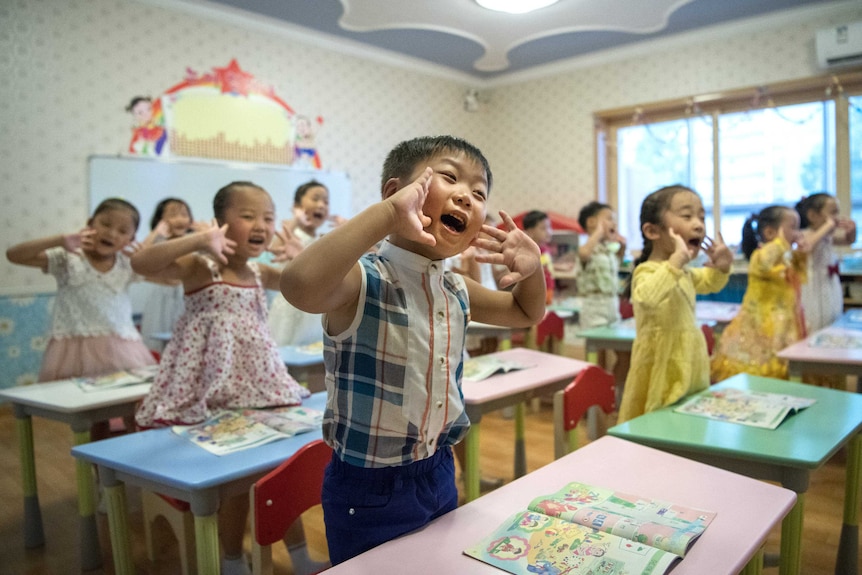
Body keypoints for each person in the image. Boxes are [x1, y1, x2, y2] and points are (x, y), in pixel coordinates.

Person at [279, 135, 546, 564]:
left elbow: (524, 312)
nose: (467, 196)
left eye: (479, 193)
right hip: (367, 487)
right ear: (396, 192)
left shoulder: (454, 286)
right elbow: (299, 285)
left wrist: (533, 271)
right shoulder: (363, 280)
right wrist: (387, 216)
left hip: (438, 469)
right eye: (449, 177)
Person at [130, 181, 315, 575]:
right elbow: (141, 264)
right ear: (220, 223)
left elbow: (307, 286)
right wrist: (198, 240)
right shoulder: (201, 265)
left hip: (258, 386)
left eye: (267, 216)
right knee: (235, 481)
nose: (260, 224)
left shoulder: (258, 270)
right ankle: (232, 559)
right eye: (247, 216)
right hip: (208, 392)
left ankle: (299, 559)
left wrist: (301, 260)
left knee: (274, 475)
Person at [5, 198, 157, 440]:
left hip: (124, 351)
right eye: (105, 224)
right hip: (75, 352)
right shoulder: (69, 258)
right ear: (89, 224)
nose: (111, 233)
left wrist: (147, 256)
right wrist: (60, 240)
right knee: (95, 416)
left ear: (131, 240)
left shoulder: (127, 265)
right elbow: (14, 255)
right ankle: (99, 469)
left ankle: (131, 465)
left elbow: (171, 279)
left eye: (122, 231)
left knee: (134, 410)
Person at [617, 185, 732, 424]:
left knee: (688, 421)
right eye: (687, 216)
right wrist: (675, 262)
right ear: (652, 231)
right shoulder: (647, 269)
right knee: (656, 424)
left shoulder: (684, 272)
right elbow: (646, 298)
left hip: (690, 358)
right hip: (662, 362)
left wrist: (722, 267)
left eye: (701, 216)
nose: (699, 224)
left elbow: (710, 282)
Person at [711, 205, 830, 383]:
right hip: (761, 329)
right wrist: (781, 243)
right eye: (792, 227)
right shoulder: (761, 255)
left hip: (785, 325)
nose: (798, 233)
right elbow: (768, 262)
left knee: (787, 370)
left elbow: (799, 273)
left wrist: (800, 252)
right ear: (769, 232)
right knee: (762, 372)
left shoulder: (785, 256)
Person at [268, 180, 345, 346]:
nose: (321, 205)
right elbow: (273, 248)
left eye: (326, 201)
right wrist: (296, 219)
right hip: (288, 307)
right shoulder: (291, 233)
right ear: (297, 205)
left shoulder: (321, 239)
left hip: (312, 310)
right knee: (285, 348)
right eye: (315, 199)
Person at [138, 197, 201, 352]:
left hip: (188, 298)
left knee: (189, 345)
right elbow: (138, 259)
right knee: (160, 346)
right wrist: (156, 233)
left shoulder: (194, 242)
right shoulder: (158, 244)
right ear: (161, 220)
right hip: (161, 299)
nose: (180, 219)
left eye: (184, 214)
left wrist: (203, 234)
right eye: (173, 215)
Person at [796, 192, 856, 333]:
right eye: (833, 213)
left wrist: (852, 231)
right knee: (814, 319)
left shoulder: (828, 236)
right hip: (813, 287)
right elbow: (807, 246)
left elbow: (848, 240)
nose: (837, 217)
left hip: (828, 284)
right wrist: (828, 226)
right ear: (812, 216)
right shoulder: (806, 234)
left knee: (832, 315)